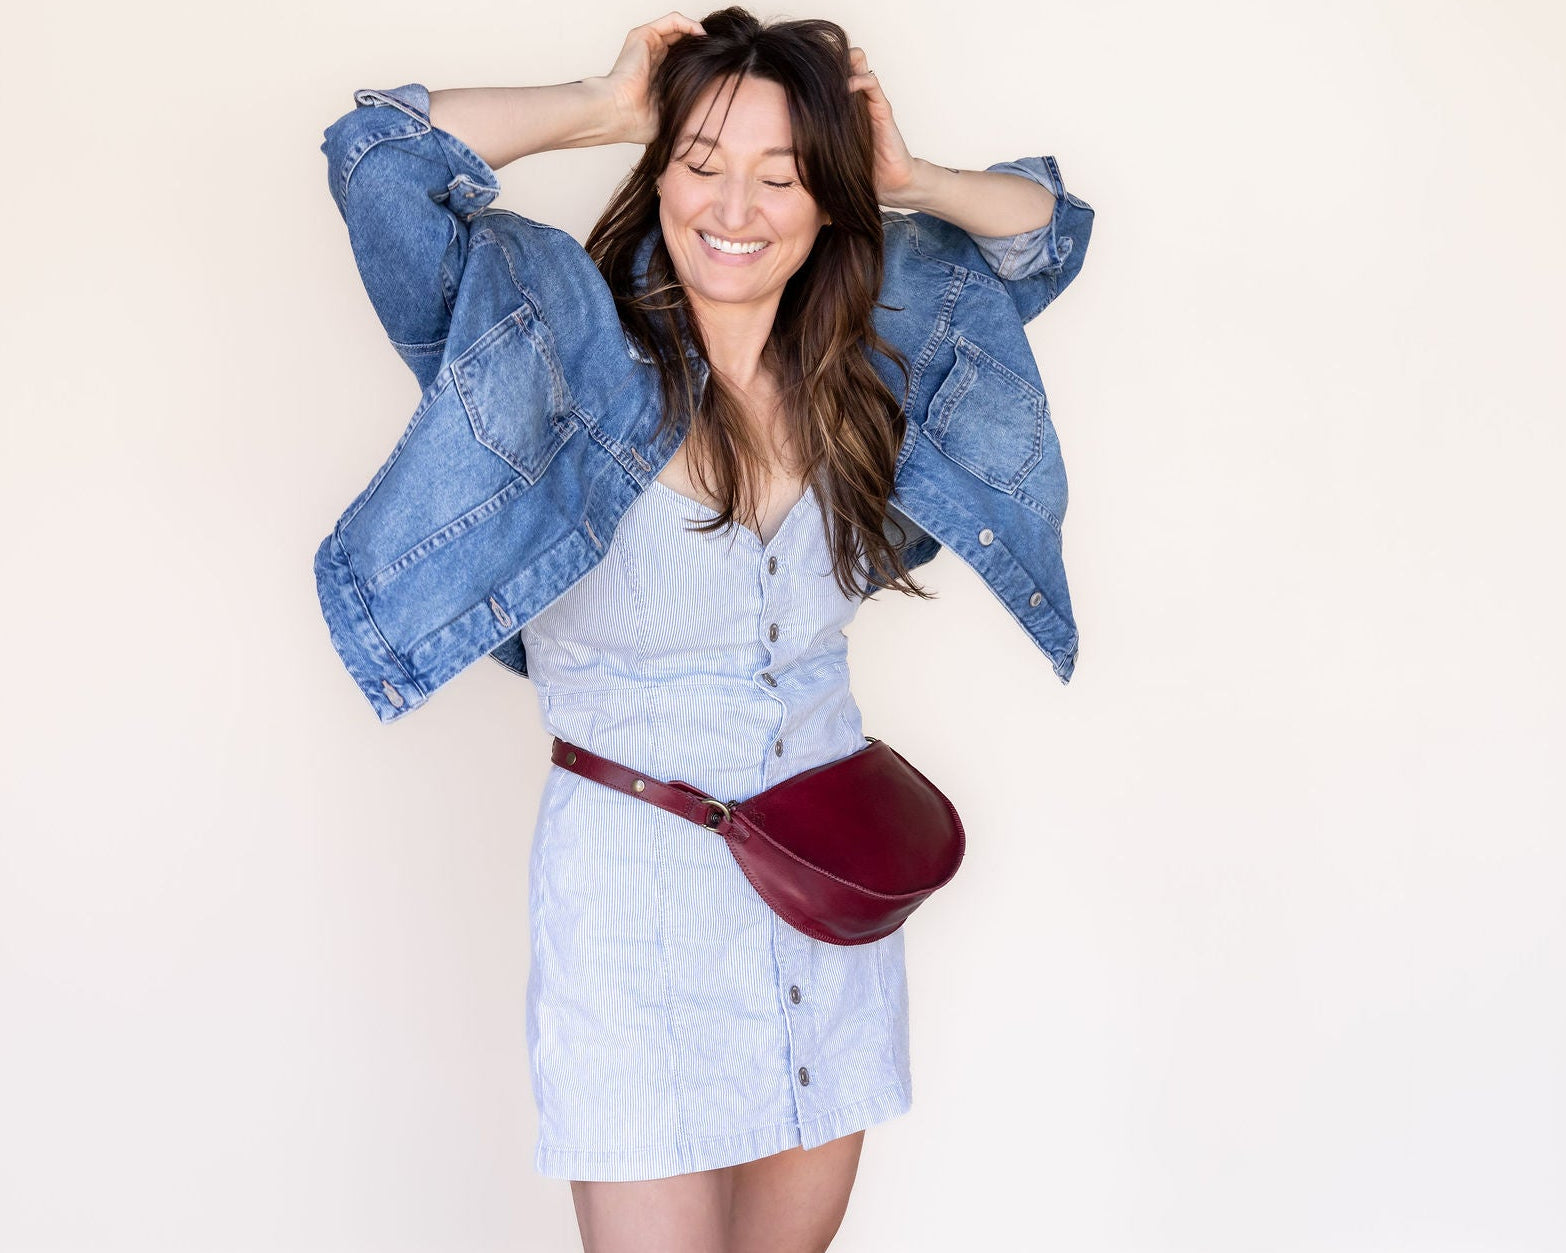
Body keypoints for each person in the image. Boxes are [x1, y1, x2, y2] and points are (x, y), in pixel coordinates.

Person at [318, 7, 1091, 1250]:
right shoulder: (550, 350)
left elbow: (1045, 238)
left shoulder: (870, 360)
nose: (737, 205)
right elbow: (377, 157)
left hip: (826, 893)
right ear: (660, 171)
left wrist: (907, 176)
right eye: (701, 160)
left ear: (830, 201)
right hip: (634, 907)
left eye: (785, 175)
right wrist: (604, 100)